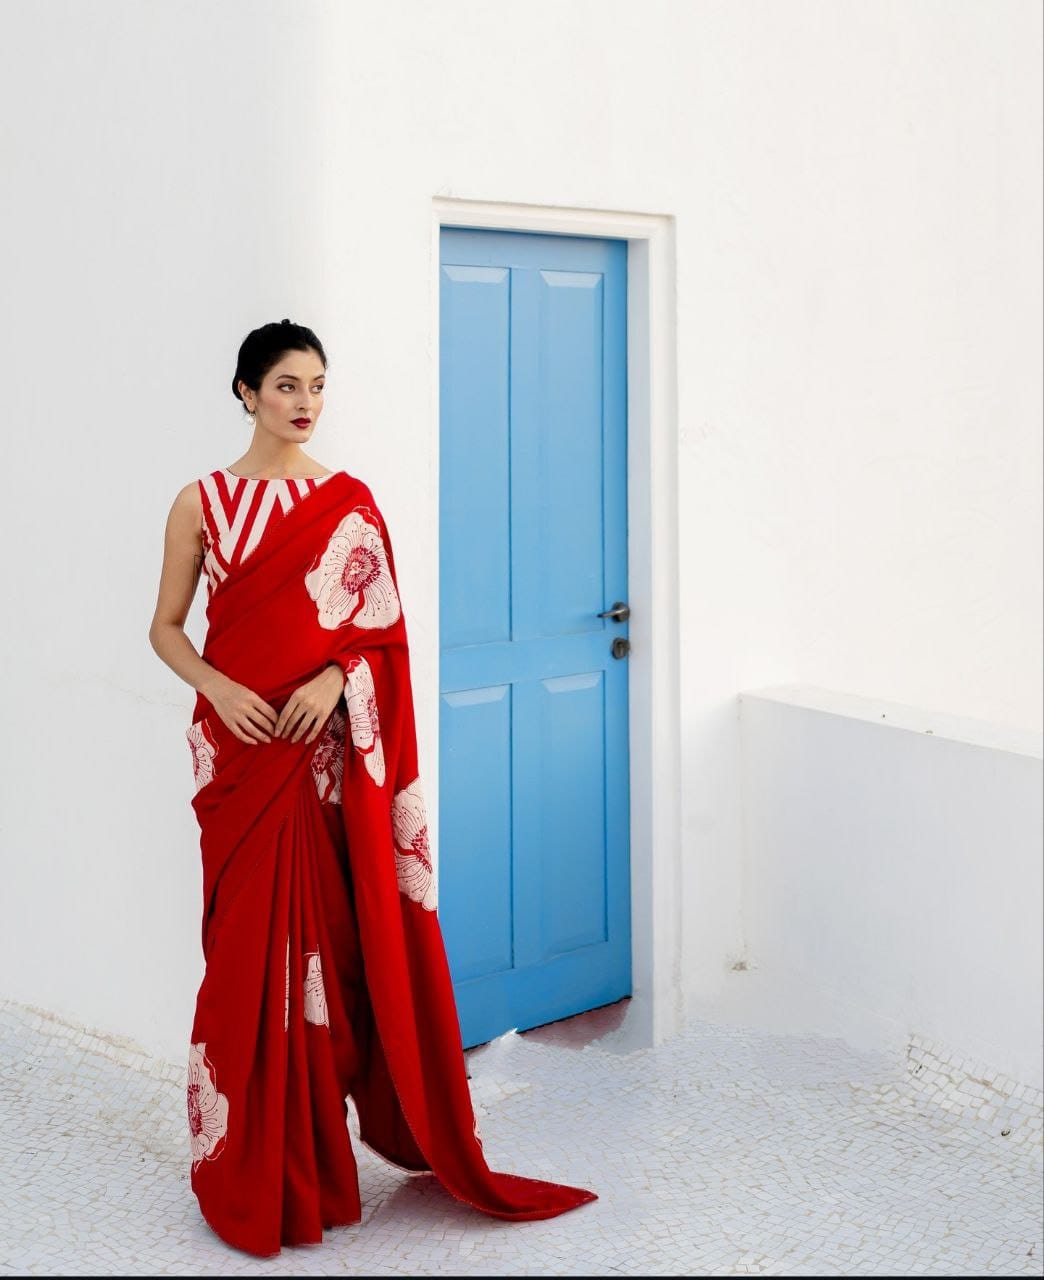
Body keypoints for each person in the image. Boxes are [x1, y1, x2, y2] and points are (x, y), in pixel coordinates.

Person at [148, 318, 596, 1257]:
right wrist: (223, 690)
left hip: (319, 766)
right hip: (238, 759)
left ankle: (315, 1164)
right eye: (284, 387)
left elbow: (381, 642)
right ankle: (244, 1166)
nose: (305, 404)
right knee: (242, 959)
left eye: (317, 386)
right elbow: (166, 630)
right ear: (244, 393)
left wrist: (332, 680)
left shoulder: (347, 505)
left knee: (322, 961)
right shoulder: (203, 503)